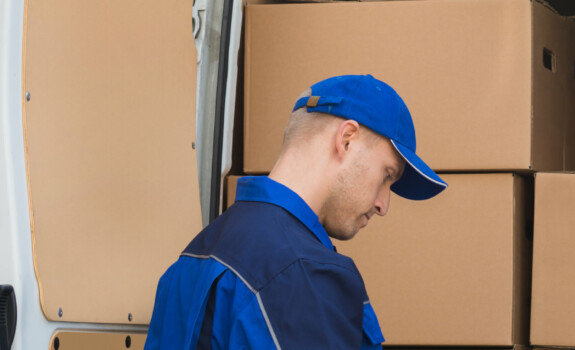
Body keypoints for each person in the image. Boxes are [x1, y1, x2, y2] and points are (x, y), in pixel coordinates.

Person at [146, 75, 447, 349]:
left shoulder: (190, 261)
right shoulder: (304, 273)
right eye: (387, 175)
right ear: (347, 140)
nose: (384, 205)